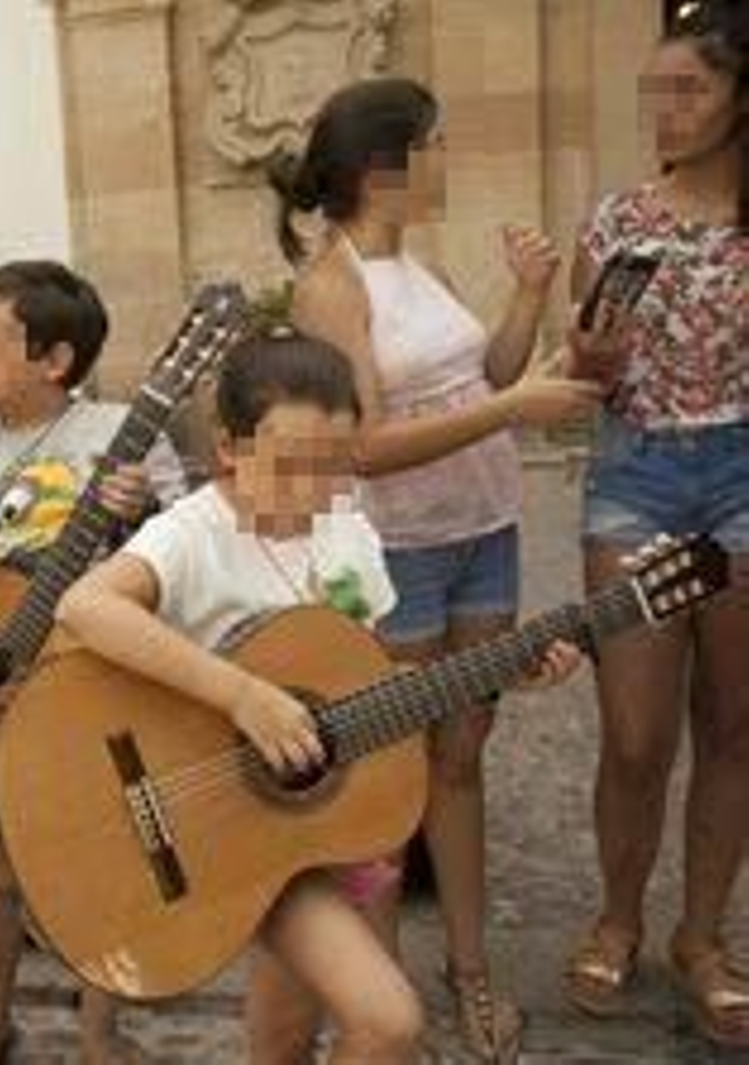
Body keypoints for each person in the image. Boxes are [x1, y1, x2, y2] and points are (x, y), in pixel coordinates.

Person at [56, 332, 583, 1064]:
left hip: (313, 822)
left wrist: (503, 671)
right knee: (390, 1021)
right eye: (293, 462)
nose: (317, 485)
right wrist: (244, 696)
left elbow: (362, 678)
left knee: (284, 1040)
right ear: (231, 447)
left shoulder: (347, 528)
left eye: (332, 463)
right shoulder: (192, 532)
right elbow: (84, 606)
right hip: (215, 824)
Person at [269, 76, 603, 1061]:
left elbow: (489, 376)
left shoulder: (420, 264)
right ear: (386, 167)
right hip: (398, 553)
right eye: (438, 144)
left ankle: (468, 970)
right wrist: (512, 411)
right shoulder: (330, 284)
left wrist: (529, 296)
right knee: (388, 782)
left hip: (485, 528)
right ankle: (385, 1002)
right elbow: (361, 447)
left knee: (461, 763)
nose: (450, 160)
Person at [0, 259, 184, 1064]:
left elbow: (189, 561)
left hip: (97, 686)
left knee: (104, 854)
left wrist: (145, 516)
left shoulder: (128, 436)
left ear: (54, 361)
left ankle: (98, 1032)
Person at [560, 2, 749, 1050]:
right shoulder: (615, 221)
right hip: (636, 473)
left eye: (692, 91)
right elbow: (580, 374)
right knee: (636, 734)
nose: (667, 112)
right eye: (656, 92)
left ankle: (701, 935)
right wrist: (597, 345)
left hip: (744, 473)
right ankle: (617, 914)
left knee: (734, 724)